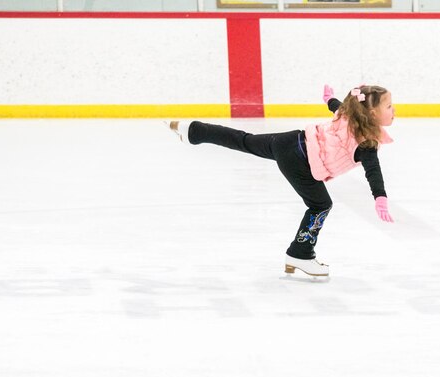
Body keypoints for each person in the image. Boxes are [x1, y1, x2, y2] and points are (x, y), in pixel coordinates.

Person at [167, 84, 395, 277]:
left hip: (288, 141)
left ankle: (193, 131)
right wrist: (380, 197)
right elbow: (373, 170)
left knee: (244, 140)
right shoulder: (366, 141)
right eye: (389, 106)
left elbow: (338, 107)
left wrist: (329, 100)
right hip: (300, 162)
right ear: (372, 114)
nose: (394, 110)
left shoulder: (347, 115)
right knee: (320, 204)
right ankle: (300, 253)